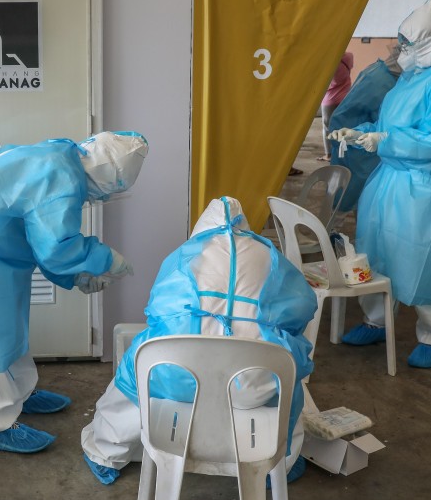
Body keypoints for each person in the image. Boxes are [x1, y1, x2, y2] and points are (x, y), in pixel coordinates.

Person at [0, 131, 149, 454]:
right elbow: (55, 248)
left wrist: (78, 275)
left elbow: (44, 240)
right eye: (110, 190)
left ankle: (20, 391)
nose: (102, 198)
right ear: (108, 177)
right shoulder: (61, 178)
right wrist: (104, 260)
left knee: (8, 317)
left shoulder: (63, 157)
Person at [81, 197, 316, 485]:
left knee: (135, 372)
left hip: (180, 381)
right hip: (252, 384)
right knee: (288, 379)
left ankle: (105, 453)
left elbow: (158, 312)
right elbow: (301, 311)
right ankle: (277, 464)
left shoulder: (185, 257)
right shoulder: (269, 256)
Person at [329, 0, 431, 369]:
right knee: (376, 249)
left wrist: (384, 142)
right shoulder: (414, 76)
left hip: (424, 188)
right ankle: (376, 319)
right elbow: (390, 126)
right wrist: (361, 132)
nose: (402, 50)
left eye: (410, 43)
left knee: (423, 260)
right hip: (389, 181)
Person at [328, 45, 403, 213]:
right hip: (358, 151)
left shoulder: (387, 77)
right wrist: (359, 136)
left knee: (363, 203)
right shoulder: (381, 81)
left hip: (368, 146)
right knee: (347, 198)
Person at [319, 52, 354, 161]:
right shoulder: (349, 56)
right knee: (344, 126)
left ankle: (328, 155)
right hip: (345, 97)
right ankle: (345, 153)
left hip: (329, 99)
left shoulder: (327, 61)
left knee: (327, 127)